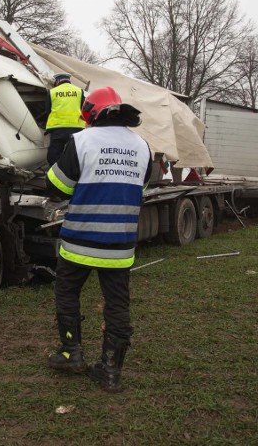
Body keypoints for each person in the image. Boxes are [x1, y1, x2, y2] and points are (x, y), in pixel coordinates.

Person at [45, 86, 152, 393]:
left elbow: (57, 187)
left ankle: (71, 352)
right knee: (117, 305)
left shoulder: (81, 140)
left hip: (79, 241)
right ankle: (110, 370)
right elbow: (140, 189)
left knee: (67, 292)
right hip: (120, 246)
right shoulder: (143, 146)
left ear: (90, 113)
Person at [44, 74, 86, 166]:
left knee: (54, 154)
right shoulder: (79, 91)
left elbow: (47, 110)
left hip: (58, 128)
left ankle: (55, 174)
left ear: (58, 81)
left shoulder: (52, 92)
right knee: (75, 153)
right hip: (77, 128)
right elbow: (84, 109)